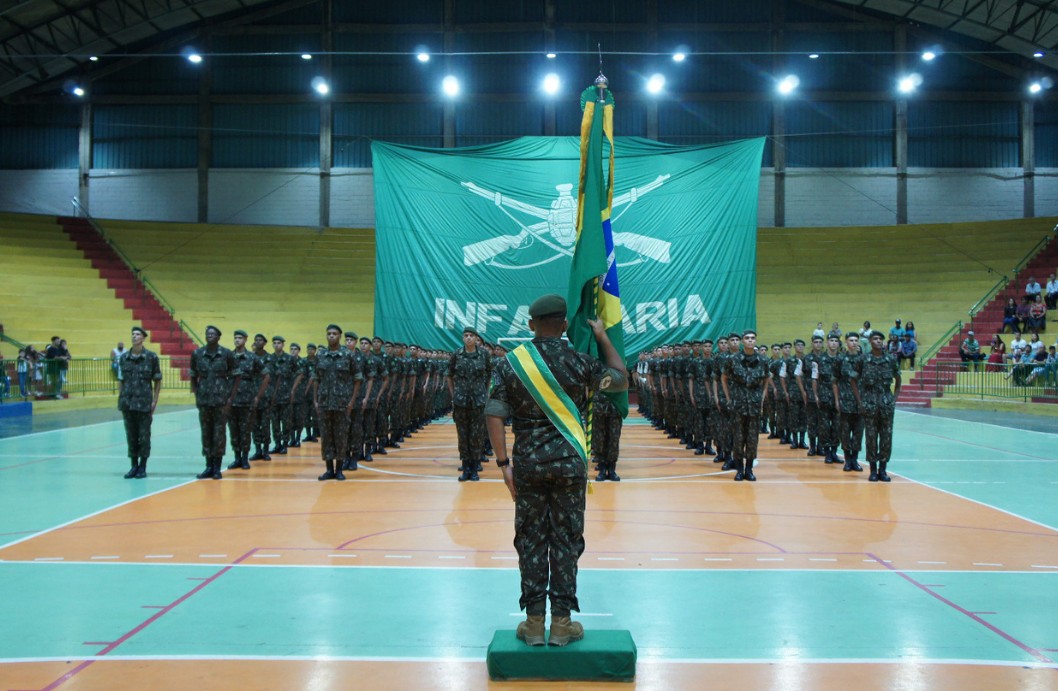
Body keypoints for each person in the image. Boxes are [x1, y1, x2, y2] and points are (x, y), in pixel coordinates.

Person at [486, 294, 627, 647]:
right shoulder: (580, 362)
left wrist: (504, 465)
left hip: (529, 467)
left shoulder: (511, 364)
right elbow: (621, 379)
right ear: (564, 326)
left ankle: (534, 624)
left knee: (531, 540)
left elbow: (494, 413)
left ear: (531, 325)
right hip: (569, 466)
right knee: (565, 541)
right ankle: (562, 624)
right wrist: (601, 336)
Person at [313, 324, 363, 481]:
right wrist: (315, 400)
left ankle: (339, 469)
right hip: (324, 403)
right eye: (329, 333)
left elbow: (358, 379)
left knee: (341, 437)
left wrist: (351, 403)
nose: (331, 336)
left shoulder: (348, 355)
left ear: (340, 336)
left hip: (342, 404)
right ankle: (329, 469)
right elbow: (316, 379)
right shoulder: (320, 356)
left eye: (334, 333)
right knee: (326, 437)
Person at [189, 325, 239, 479]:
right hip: (204, 401)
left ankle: (217, 467)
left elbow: (236, 376)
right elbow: (193, 375)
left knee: (219, 434)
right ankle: (208, 466)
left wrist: (230, 398)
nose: (209, 335)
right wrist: (197, 394)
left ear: (219, 337)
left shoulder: (226, 354)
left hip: (220, 401)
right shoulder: (197, 354)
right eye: (207, 333)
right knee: (206, 433)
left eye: (213, 334)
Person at [721, 330, 769, 481]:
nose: (750, 341)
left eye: (752, 338)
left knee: (752, 439)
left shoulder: (763, 360)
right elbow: (723, 378)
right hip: (738, 404)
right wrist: (729, 398)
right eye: (747, 338)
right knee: (738, 438)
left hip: (754, 406)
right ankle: (739, 470)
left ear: (755, 341)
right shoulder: (733, 359)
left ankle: (749, 469)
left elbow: (767, 379)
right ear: (742, 341)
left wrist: (761, 399)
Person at [117, 326, 162, 479]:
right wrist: (121, 396)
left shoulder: (151, 357)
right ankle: (133, 466)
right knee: (131, 436)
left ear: (143, 338)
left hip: (144, 403)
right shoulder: (124, 358)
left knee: (144, 436)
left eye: (137, 334)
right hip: (128, 403)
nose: (134, 337)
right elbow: (121, 380)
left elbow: (157, 380)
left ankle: (143, 466)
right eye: (133, 334)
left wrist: (154, 400)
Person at [447, 327, 492, 482]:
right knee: (463, 435)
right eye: (465, 335)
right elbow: (449, 375)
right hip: (461, 402)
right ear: (462, 338)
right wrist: (454, 395)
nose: (468, 338)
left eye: (471, 335)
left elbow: (489, 376)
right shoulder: (456, 354)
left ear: (476, 338)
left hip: (478, 402)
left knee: (476, 435)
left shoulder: (484, 355)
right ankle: (465, 468)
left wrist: (485, 394)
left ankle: (474, 469)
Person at [859, 331, 901, 482]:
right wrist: (860, 401)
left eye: (880, 339)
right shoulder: (864, 360)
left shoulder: (890, 359)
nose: (878, 341)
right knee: (871, 437)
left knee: (886, 437)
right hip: (869, 404)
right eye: (875, 339)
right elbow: (854, 380)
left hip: (886, 404)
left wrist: (893, 399)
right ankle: (872, 470)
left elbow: (898, 379)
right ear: (870, 341)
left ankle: (883, 469)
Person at [227, 330, 268, 470]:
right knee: (234, 430)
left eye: (240, 338)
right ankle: (236, 458)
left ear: (245, 340)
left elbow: (266, 376)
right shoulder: (229, 357)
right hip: (232, 400)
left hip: (247, 399)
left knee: (245, 430)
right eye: (235, 338)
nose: (237, 340)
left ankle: (244, 458)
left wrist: (257, 396)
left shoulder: (252, 358)